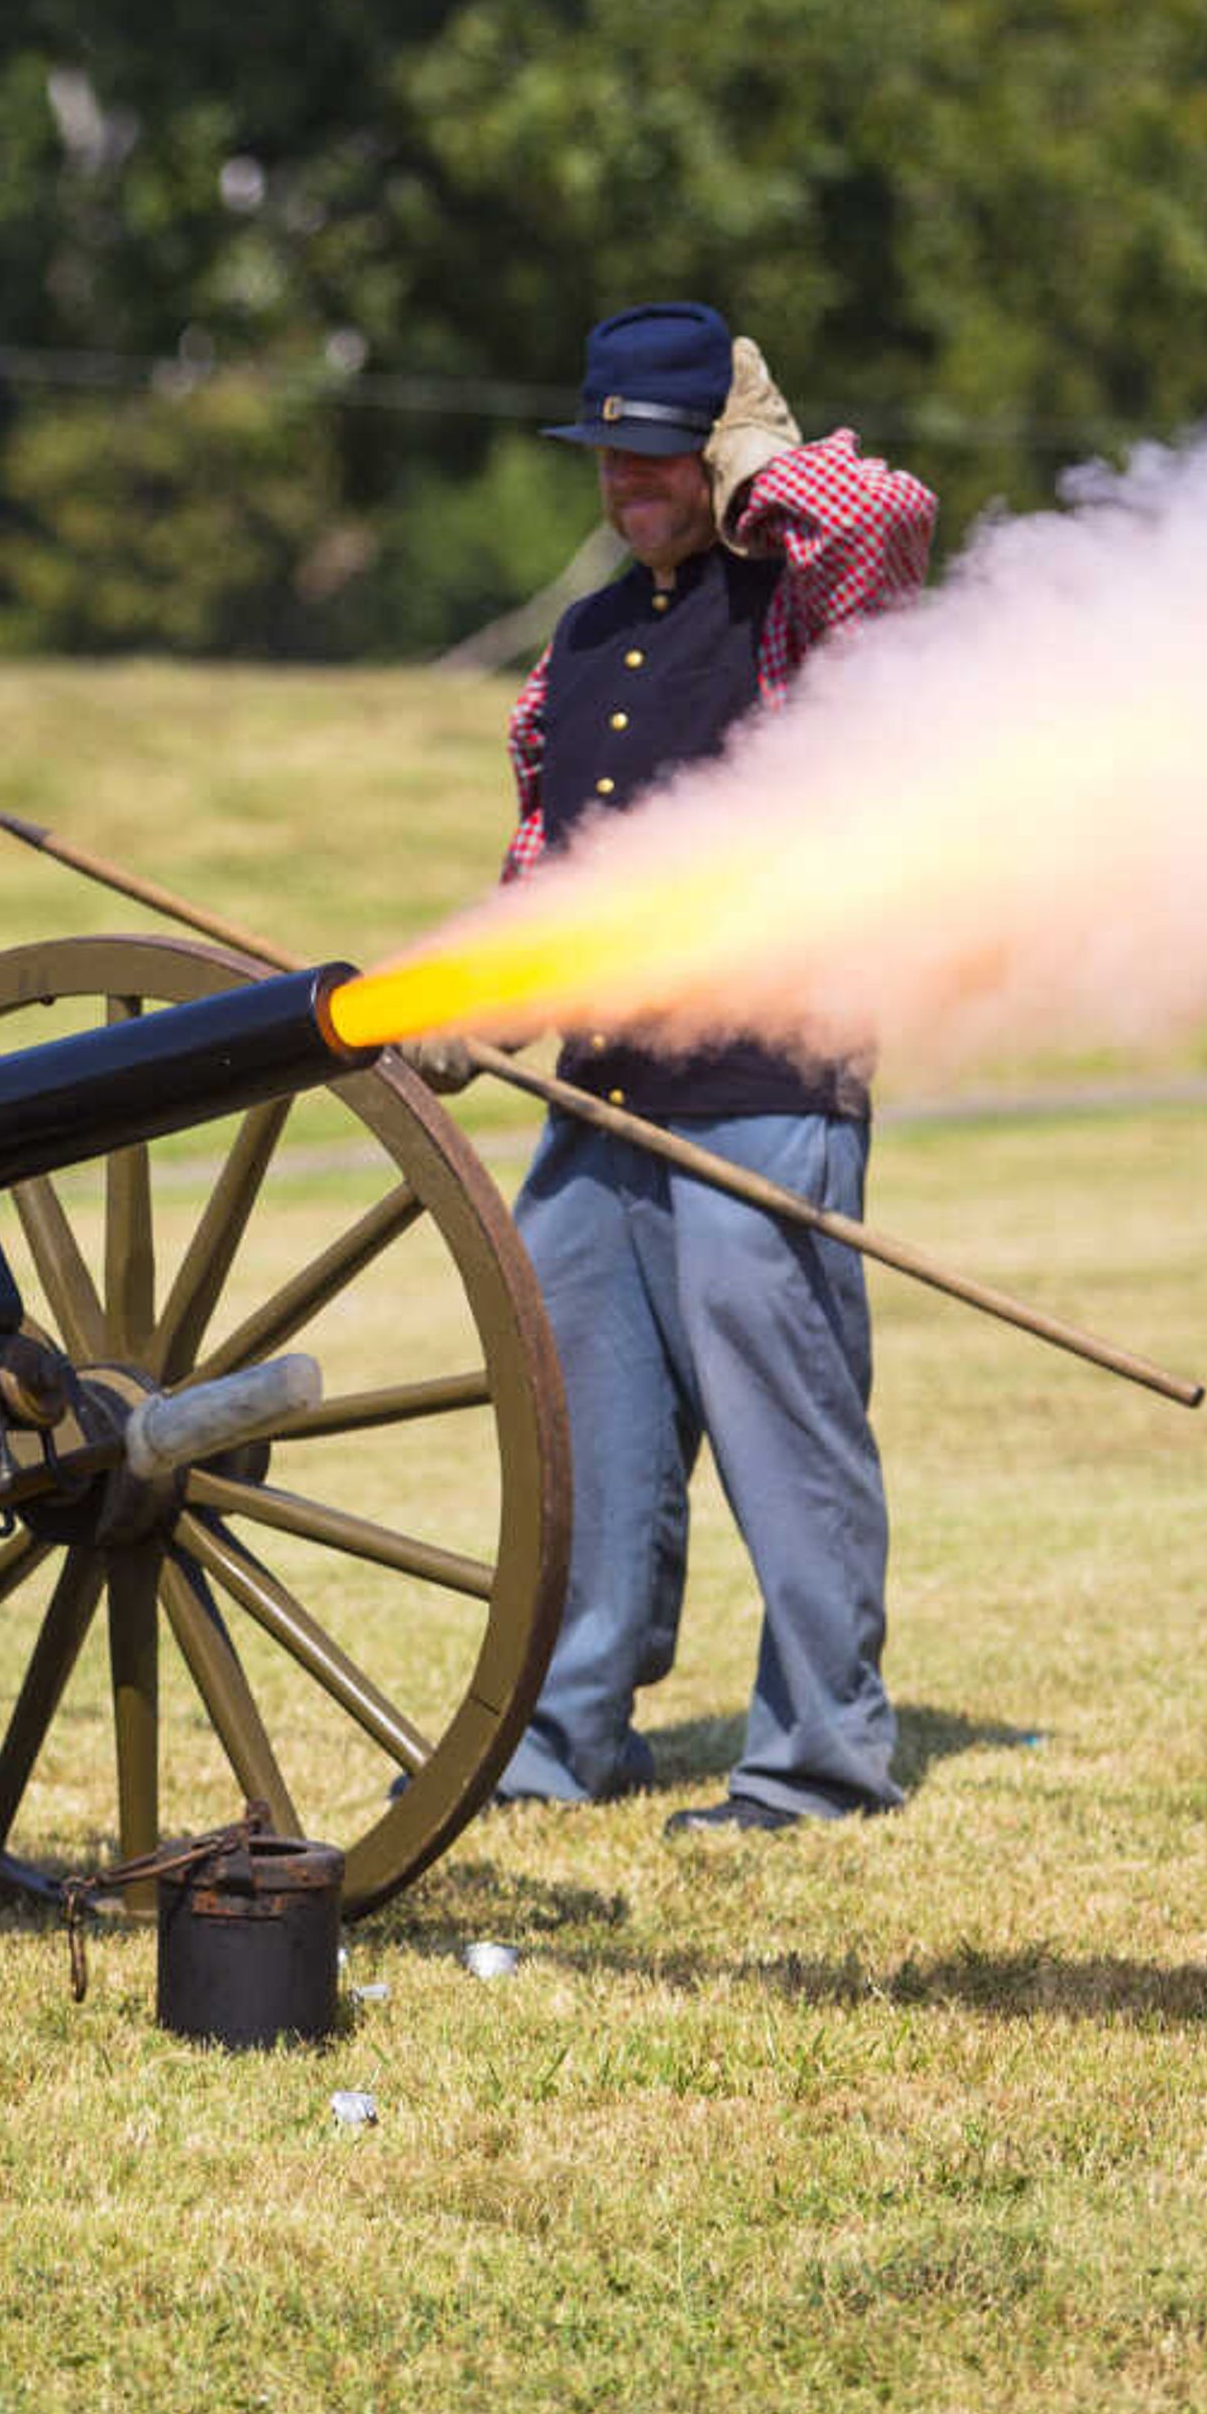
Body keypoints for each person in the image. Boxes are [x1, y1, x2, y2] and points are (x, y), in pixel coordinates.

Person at [480, 305, 937, 1834]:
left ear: (714, 452)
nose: (627, 480)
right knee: (581, 1443)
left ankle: (819, 1760)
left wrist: (762, 463)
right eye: (609, 450)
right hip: (601, 1092)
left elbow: (890, 516)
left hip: (767, 1078)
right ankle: (559, 1740)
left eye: (659, 451)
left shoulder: (805, 602)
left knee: (788, 1433)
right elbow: (551, 861)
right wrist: (484, 994)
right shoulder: (586, 638)